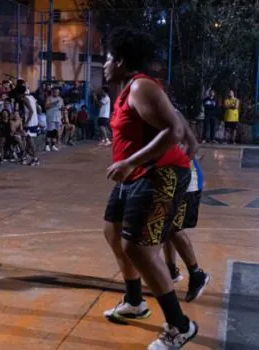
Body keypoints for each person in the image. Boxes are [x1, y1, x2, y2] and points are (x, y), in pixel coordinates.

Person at [102, 27, 198, 349]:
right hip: (135, 174)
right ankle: (135, 301)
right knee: (113, 232)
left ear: (121, 61)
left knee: (139, 247)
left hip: (159, 173)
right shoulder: (126, 89)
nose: (104, 63)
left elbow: (175, 129)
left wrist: (131, 162)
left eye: (108, 58)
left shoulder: (142, 87)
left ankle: (180, 325)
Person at [163, 152, 210, 302]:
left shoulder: (174, 130)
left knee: (173, 228)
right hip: (170, 180)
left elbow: (190, 148)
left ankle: (197, 274)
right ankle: (171, 270)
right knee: (166, 226)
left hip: (186, 183)